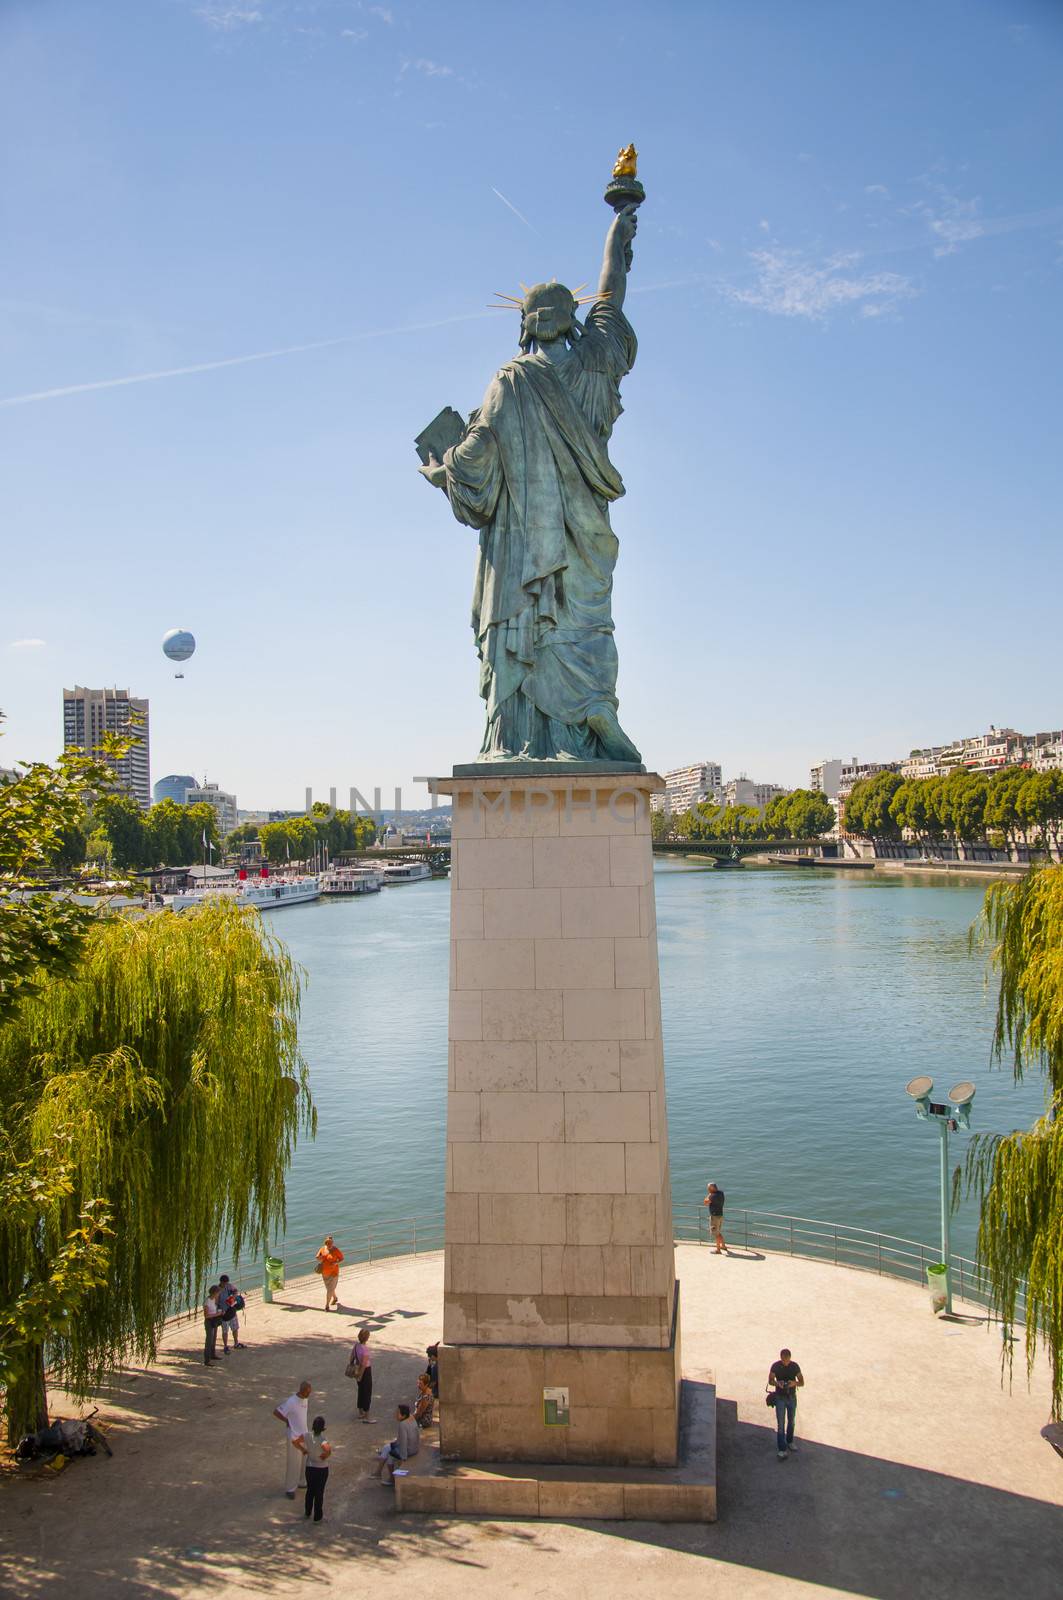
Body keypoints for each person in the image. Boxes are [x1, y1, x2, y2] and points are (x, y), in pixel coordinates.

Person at [273, 1380, 313, 1497]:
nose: (309, 1395)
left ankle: (301, 1481)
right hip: (294, 1435)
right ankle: (290, 1488)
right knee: (294, 1463)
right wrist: (287, 1421)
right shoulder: (291, 1401)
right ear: (302, 1391)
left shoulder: (305, 1399)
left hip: (304, 1434)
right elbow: (276, 1412)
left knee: (304, 1460)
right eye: (307, 1392)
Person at [767, 1348, 804, 1459]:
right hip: (780, 1398)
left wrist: (794, 1383)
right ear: (781, 1357)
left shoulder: (795, 1366)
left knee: (791, 1421)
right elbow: (770, 1380)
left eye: (787, 1360)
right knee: (781, 1424)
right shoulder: (775, 1366)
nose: (785, 1362)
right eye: (783, 1360)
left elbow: (802, 1382)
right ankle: (782, 1449)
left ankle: (790, 1441)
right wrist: (778, 1383)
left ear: (790, 1358)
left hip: (792, 1397)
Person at [296, 1415, 332, 1522]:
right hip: (321, 1469)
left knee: (310, 1490)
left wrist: (303, 1450)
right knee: (319, 1492)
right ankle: (317, 1516)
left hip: (310, 1467)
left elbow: (295, 1441)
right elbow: (328, 1449)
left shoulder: (307, 1435)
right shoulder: (323, 1439)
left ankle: (307, 1511)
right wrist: (326, 1455)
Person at [372, 1405, 419, 1484]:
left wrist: (403, 1457)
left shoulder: (402, 1425)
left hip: (409, 1450)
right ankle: (379, 1472)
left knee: (389, 1454)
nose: (395, 1414)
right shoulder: (410, 1418)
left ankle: (390, 1478)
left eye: (398, 1413)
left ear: (403, 1415)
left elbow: (403, 1442)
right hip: (414, 1447)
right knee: (386, 1448)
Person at [217, 1274, 245, 1351]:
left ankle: (236, 1343)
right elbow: (216, 1302)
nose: (226, 1284)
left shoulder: (229, 1286)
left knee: (235, 1328)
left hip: (232, 1311)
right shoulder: (217, 1290)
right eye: (224, 1283)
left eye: (227, 1283)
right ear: (221, 1282)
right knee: (225, 1331)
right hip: (224, 1314)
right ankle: (225, 1346)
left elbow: (235, 1291)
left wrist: (233, 1296)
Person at [315, 1235, 344, 1312]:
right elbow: (317, 1257)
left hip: (334, 1273)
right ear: (326, 1243)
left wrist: (335, 1263)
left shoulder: (336, 1250)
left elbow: (342, 1258)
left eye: (330, 1242)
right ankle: (334, 1298)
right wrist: (320, 1258)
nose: (329, 1244)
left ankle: (327, 1305)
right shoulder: (322, 1249)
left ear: (332, 1242)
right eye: (328, 1242)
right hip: (324, 1272)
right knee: (329, 1288)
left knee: (329, 1289)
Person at [351, 1326, 373, 1421]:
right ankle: (366, 1413)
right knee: (367, 1392)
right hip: (365, 1371)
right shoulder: (365, 1349)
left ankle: (360, 1411)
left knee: (360, 1390)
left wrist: (356, 1373)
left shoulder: (356, 1346)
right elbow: (364, 1364)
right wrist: (361, 1375)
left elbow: (351, 1357)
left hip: (357, 1368)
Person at [703, 1182, 727, 1254]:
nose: (707, 1189)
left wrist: (709, 1194)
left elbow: (705, 1202)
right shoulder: (721, 1193)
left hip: (714, 1217)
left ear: (712, 1189)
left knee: (716, 1234)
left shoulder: (712, 1196)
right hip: (720, 1215)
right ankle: (723, 1246)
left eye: (708, 1188)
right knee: (718, 1232)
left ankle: (718, 1250)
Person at [203, 1285, 223, 1366]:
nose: (218, 1294)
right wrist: (217, 1314)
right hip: (209, 1322)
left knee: (213, 1339)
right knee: (209, 1341)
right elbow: (206, 1315)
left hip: (214, 1321)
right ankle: (207, 1360)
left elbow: (215, 1308)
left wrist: (220, 1312)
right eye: (218, 1293)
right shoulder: (207, 1301)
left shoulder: (214, 1299)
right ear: (214, 1293)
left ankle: (213, 1354)